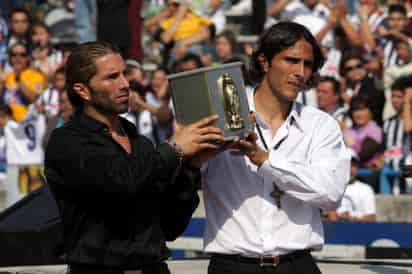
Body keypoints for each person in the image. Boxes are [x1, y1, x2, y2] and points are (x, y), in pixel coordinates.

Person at [44, 41, 225, 274]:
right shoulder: (67, 143)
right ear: (83, 90)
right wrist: (175, 148)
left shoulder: (140, 144)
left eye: (124, 74)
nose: (124, 84)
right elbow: (123, 180)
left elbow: (170, 226)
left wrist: (190, 168)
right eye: (111, 77)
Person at [201, 22, 350, 274]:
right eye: (291, 60)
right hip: (232, 266)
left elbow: (332, 193)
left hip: (297, 265)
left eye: (308, 64)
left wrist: (267, 161)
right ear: (264, 61)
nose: (300, 72)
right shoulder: (220, 112)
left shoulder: (320, 125)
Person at [327, 150, 376, 222]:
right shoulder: (331, 187)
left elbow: (372, 218)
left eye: (353, 165)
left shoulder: (366, 189)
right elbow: (330, 217)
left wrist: (351, 218)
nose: (350, 169)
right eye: (347, 165)